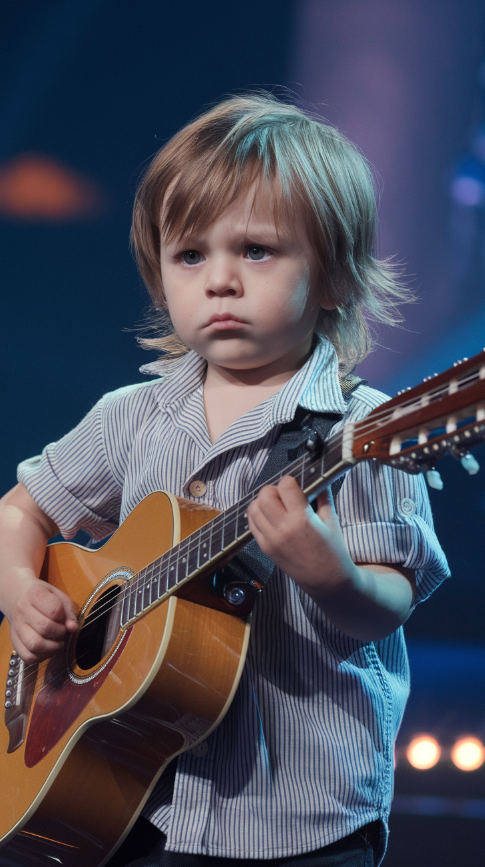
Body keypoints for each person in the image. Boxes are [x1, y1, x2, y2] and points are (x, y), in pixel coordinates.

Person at [0, 94, 449, 867]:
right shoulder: (131, 416)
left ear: (335, 277)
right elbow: (21, 508)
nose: (220, 281)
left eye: (257, 251)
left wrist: (329, 573)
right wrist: (17, 586)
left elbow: (386, 605)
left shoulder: (360, 428)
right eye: (190, 255)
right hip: (134, 796)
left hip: (298, 811)